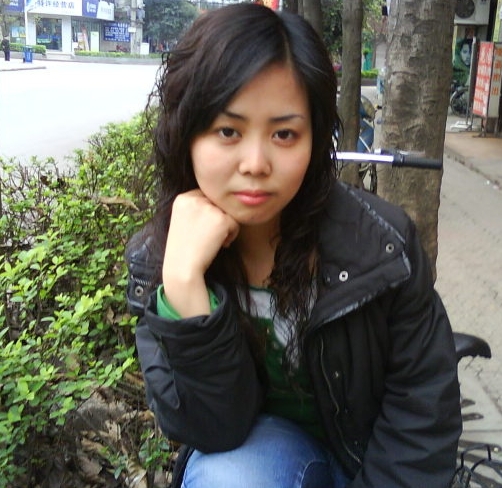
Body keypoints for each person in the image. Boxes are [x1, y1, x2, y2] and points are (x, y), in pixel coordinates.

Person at [127, 4, 462, 488]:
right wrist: (183, 285)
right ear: (186, 134)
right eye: (228, 131)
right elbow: (214, 430)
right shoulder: (158, 260)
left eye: (284, 134)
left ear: (314, 138)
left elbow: (422, 418)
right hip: (264, 465)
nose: (256, 163)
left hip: (371, 466)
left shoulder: (381, 247)